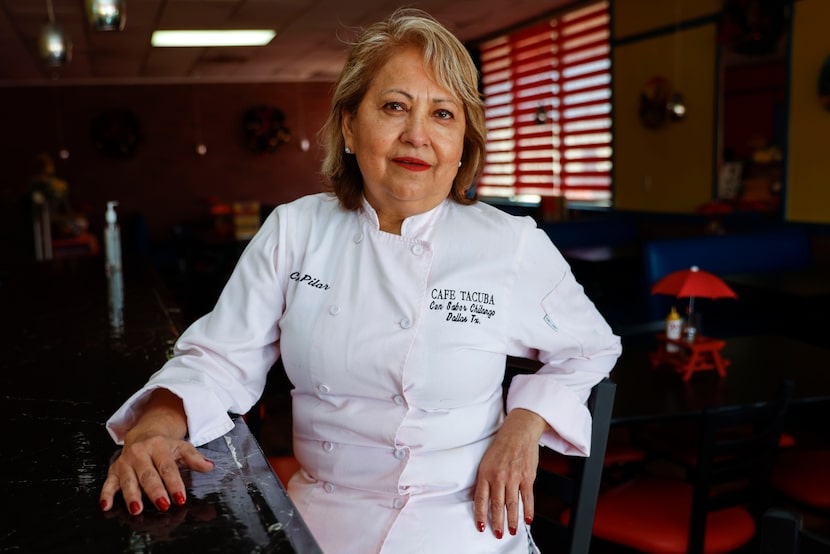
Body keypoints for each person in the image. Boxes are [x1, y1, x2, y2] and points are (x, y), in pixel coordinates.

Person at [100, 8, 621, 553]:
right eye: (395, 106)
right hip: (324, 517)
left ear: (464, 138)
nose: (417, 135)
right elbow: (220, 358)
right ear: (349, 125)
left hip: (469, 522)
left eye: (443, 114)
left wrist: (526, 419)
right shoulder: (295, 230)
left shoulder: (510, 242)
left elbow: (590, 348)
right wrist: (157, 425)